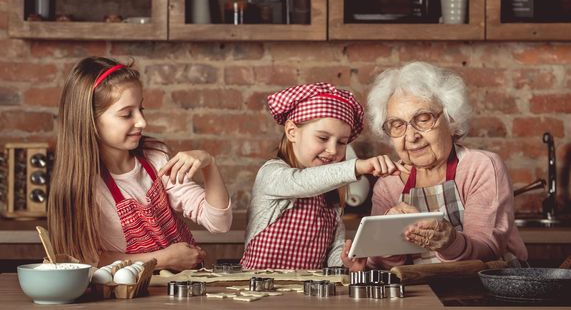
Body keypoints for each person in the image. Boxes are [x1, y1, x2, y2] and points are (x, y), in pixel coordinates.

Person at [48, 57, 232, 270]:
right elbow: (86, 261)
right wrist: (164, 259)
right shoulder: (85, 186)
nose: (142, 122)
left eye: (141, 109)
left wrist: (209, 164)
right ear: (90, 120)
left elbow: (219, 224)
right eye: (127, 114)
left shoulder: (155, 158)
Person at [342, 61, 527, 269]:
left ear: (451, 119)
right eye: (397, 125)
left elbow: (488, 249)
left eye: (423, 119)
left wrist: (451, 243)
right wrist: (383, 244)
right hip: (420, 296)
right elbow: (385, 267)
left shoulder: (481, 167)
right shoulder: (388, 185)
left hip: (486, 293)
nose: (411, 136)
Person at [241, 82, 405, 270]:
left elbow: (332, 253)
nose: (333, 150)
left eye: (342, 142)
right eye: (323, 138)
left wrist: (346, 262)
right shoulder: (271, 174)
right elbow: (303, 181)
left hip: (308, 294)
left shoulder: (331, 197)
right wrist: (356, 167)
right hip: (260, 290)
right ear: (292, 132)